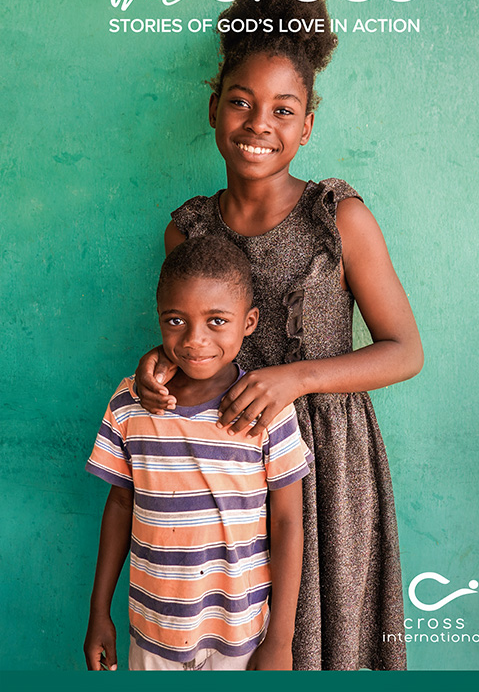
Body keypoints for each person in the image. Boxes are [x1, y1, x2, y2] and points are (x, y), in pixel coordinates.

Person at [136, 0, 424, 670]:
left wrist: (295, 379)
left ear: (307, 126)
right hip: (224, 471)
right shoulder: (190, 230)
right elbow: (193, 340)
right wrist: (160, 366)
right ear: (213, 110)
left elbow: (404, 350)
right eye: (240, 102)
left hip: (328, 473)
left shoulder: (339, 219)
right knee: (230, 640)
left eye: (283, 110)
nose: (259, 124)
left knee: (321, 645)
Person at [84, 237, 312, 671]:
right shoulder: (129, 403)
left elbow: (287, 522)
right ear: (158, 318)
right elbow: (119, 505)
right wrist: (99, 613)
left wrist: (281, 640)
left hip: (242, 634)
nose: (194, 340)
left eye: (217, 321)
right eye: (175, 320)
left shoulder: (268, 409)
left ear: (249, 322)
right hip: (153, 632)